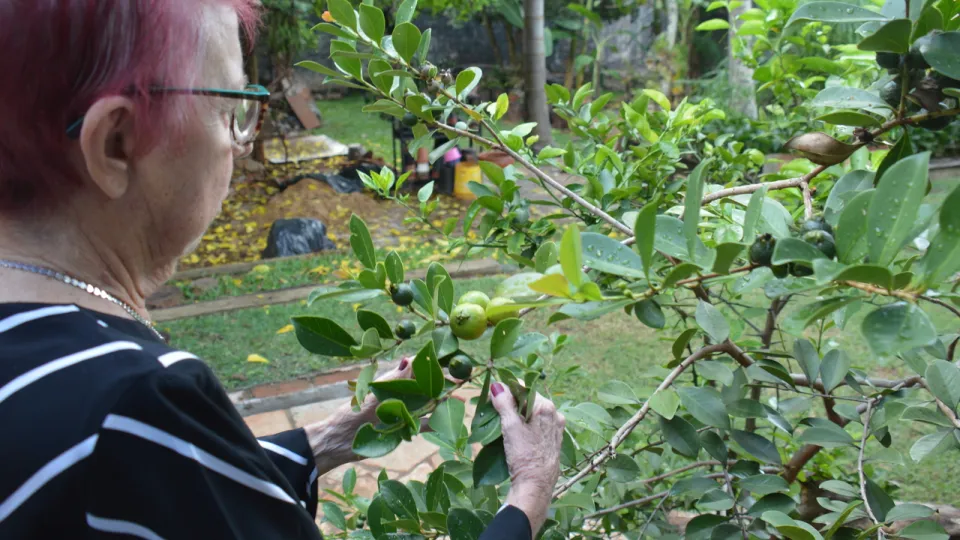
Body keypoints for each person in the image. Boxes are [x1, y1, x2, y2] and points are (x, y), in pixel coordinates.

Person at [0, 1, 566, 538]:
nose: (243, 145)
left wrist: (334, 435)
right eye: (231, 111)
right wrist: (530, 493)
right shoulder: (138, 403)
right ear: (116, 143)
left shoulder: (60, 371)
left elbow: (183, 489)